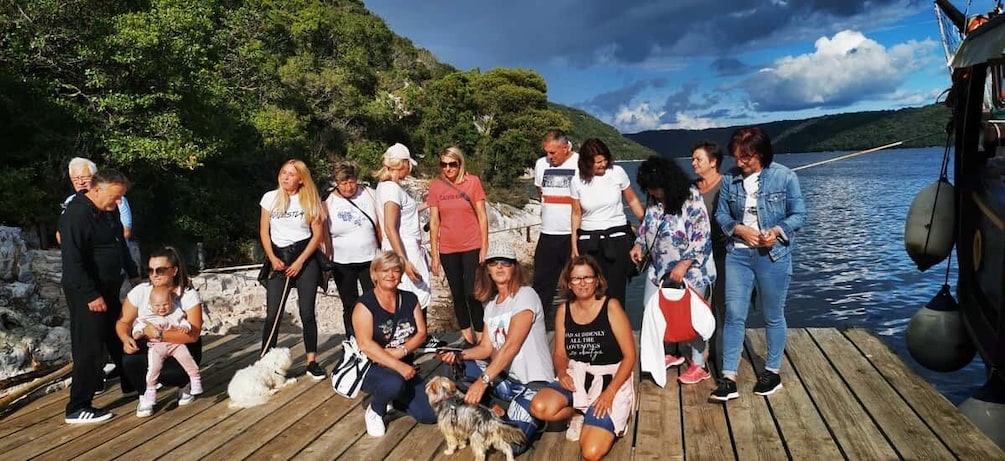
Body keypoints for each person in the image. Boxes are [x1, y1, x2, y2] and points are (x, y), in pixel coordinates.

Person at [710, 127, 806, 402]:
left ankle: (772, 371)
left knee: (773, 315)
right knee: (734, 314)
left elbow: (799, 214)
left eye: (745, 158)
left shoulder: (785, 176)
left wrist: (775, 231)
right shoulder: (730, 179)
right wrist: (739, 230)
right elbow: (721, 214)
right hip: (738, 256)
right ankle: (728, 378)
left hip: (773, 256)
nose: (739, 162)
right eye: (736, 157)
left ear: (760, 154)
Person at [438, 241, 554, 456]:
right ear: (487, 269)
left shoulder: (526, 295)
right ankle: (495, 407)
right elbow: (484, 348)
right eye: (493, 263)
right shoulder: (491, 306)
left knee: (513, 443)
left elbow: (511, 346)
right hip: (507, 380)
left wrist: (483, 382)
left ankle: (524, 415)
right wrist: (457, 354)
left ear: (515, 267)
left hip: (534, 383)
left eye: (506, 263)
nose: (499, 267)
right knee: (455, 368)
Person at [529, 256, 636, 461]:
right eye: (576, 279)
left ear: (597, 280)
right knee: (539, 407)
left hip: (609, 378)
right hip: (578, 374)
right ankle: (576, 414)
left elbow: (630, 356)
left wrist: (610, 393)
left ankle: (607, 415)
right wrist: (561, 372)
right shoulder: (564, 310)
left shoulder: (611, 307)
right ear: (569, 283)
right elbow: (560, 353)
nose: (583, 283)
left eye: (588, 277)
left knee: (591, 452)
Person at [60, 169, 138, 424]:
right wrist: (91, 294)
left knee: (118, 334)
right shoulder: (76, 214)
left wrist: (134, 273)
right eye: (114, 197)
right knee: (89, 347)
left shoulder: (110, 211)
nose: (117, 203)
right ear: (96, 189)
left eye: (120, 198)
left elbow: (119, 245)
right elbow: (73, 260)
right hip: (86, 291)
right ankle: (77, 406)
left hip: (109, 286)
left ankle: (133, 383)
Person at [630, 156, 715, 387]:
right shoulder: (653, 199)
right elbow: (648, 226)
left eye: (657, 188)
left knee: (692, 317)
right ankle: (669, 352)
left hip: (690, 270)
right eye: (650, 189)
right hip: (659, 270)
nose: (654, 193)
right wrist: (639, 244)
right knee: (652, 309)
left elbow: (701, 235)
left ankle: (699, 364)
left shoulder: (691, 197)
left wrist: (684, 263)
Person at [354, 251, 437, 437]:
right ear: (374, 274)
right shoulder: (364, 305)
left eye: (396, 270)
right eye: (385, 270)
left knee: (429, 415)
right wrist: (397, 364)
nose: (391, 275)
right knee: (394, 381)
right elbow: (365, 345)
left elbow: (422, 333)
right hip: (371, 367)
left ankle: (395, 397)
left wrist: (401, 352)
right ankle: (375, 410)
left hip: (403, 365)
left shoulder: (410, 299)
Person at [117, 246, 204, 415]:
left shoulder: (187, 294)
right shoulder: (141, 292)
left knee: (172, 373)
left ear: (174, 271)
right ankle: (145, 394)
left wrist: (159, 334)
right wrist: (124, 338)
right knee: (130, 360)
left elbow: (193, 334)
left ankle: (183, 384)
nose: (154, 274)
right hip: (151, 344)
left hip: (181, 342)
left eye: (160, 270)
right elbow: (123, 322)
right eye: (150, 270)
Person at [259, 159, 326, 380]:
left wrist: (300, 262)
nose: (286, 177)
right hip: (278, 255)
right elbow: (264, 232)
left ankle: (311, 360)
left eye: (291, 174)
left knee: (307, 312)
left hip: (304, 256)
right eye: (283, 173)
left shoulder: (308, 199)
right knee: (273, 313)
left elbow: (317, 235)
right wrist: (272, 258)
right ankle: (266, 359)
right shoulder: (270, 198)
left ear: (300, 179)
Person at [373, 143, 443, 351]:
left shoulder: (388, 188)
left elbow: (406, 214)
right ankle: (418, 337)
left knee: (412, 292)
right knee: (417, 292)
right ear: (401, 164)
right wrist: (404, 261)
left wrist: (429, 203)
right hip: (404, 248)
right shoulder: (391, 189)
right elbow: (390, 227)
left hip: (405, 246)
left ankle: (414, 336)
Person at [570, 138, 645, 306]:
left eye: (605, 160)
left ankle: (617, 328)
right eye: (598, 162)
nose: (603, 165)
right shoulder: (576, 181)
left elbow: (632, 200)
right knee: (591, 290)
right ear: (587, 162)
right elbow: (576, 213)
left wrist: (645, 225)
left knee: (616, 292)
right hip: (589, 241)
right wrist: (573, 244)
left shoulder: (617, 172)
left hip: (617, 238)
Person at [427, 146, 489, 345]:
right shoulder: (435, 186)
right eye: (443, 164)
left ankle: (481, 332)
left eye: (452, 164)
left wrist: (484, 245)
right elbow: (434, 221)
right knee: (458, 294)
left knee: (473, 292)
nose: (448, 168)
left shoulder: (473, 182)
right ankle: (466, 334)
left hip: (471, 244)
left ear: (460, 164)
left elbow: (482, 215)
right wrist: (435, 255)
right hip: (447, 248)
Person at [323, 160, 380, 339]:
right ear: (336, 183)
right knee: (350, 303)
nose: (348, 187)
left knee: (374, 300)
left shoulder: (369, 194)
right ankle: (353, 338)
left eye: (351, 181)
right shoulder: (327, 200)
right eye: (343, 183)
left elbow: (381, 221)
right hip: (342, 261)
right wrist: (326, 259)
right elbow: (323, 233)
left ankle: (376, 337)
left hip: (370, 258)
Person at [130, 285, 203, 417]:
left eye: (165, 305)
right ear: (151, 306)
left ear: (171, 302)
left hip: (175, 345)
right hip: (156, 347)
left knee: (187, 360)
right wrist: (138, 333)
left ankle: (195, 379)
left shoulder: (175, 312)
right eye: (157, 306)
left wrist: (185, 327)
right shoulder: (147, 316)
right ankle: (150, 391)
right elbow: (138, 327)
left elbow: (184, 322)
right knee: (153, 369)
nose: (162, 308)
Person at [533, 129, 580, 329]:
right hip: (548, 233)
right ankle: (537, 327)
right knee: (542, 284)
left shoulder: (579, 163)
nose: (549, 157)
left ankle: (579, 326)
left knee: (578, 283)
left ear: (565, 147)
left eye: (553, 153)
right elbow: (540, 191)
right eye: (547, 152)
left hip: (572, 234)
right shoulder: (541, 164)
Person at [58, 157, 140, 271]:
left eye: (84, 178)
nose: (80, 182)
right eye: (75, 179)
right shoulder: (72, 205)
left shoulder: (115, 199)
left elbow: (124, 233)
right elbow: (63, 237)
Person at [691, 141, 728, 378]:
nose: (693, 163)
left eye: (698, 159)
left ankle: (721, 358)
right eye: (693, 159)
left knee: (722, 305)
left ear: (713, 162)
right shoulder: (692, 188)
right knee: (699, 305)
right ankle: (701, 355)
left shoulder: (727, 186)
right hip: (697, 256)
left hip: (723, 253)